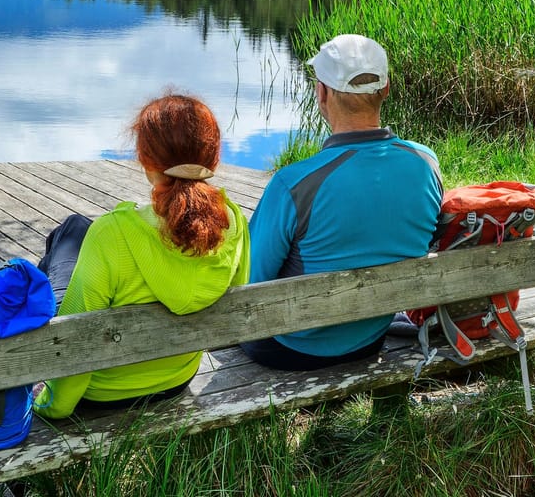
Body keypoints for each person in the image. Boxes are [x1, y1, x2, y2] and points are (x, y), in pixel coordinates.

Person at [34, 93, 251, 418]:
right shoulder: (234, 223)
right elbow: (235, 304)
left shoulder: (113, 232)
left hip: (100, 395)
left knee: (70, 233)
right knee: (77, 230)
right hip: (176, 380)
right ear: (214, 158)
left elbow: (78, 340)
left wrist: (52, 406)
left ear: (146, 160)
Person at [242, 33, 442, 369]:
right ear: (387, 88)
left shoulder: (293, 184)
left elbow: (251, 282)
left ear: (321, 93)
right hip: (368, 338)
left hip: (289, 348)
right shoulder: (426, 164)